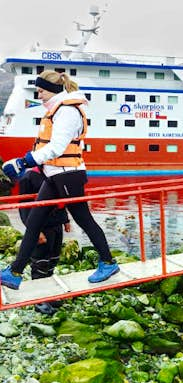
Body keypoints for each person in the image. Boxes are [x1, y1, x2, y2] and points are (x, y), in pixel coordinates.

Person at [1, 70, 119, 290]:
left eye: (41, 91)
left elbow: (56, 147)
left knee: (84, 220)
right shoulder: (57, 110)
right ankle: (15, 273)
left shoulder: (67, 111)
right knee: (35, 223)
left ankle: (108, 262)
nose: (39, 96)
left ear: (53, 90)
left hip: (67, 176)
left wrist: (25, 162)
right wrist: (28, 160)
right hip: (55, 175)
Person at [19, 168, 70, 315]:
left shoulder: (54, 173)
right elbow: (24, 206)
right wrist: (34, 230)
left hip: (56, 223)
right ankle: (39, 299)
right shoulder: (29, 177)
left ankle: (49, 294)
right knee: (40, 262)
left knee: (53, 260)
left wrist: (65, 219)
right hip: (41, 225)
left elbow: (60, 198)